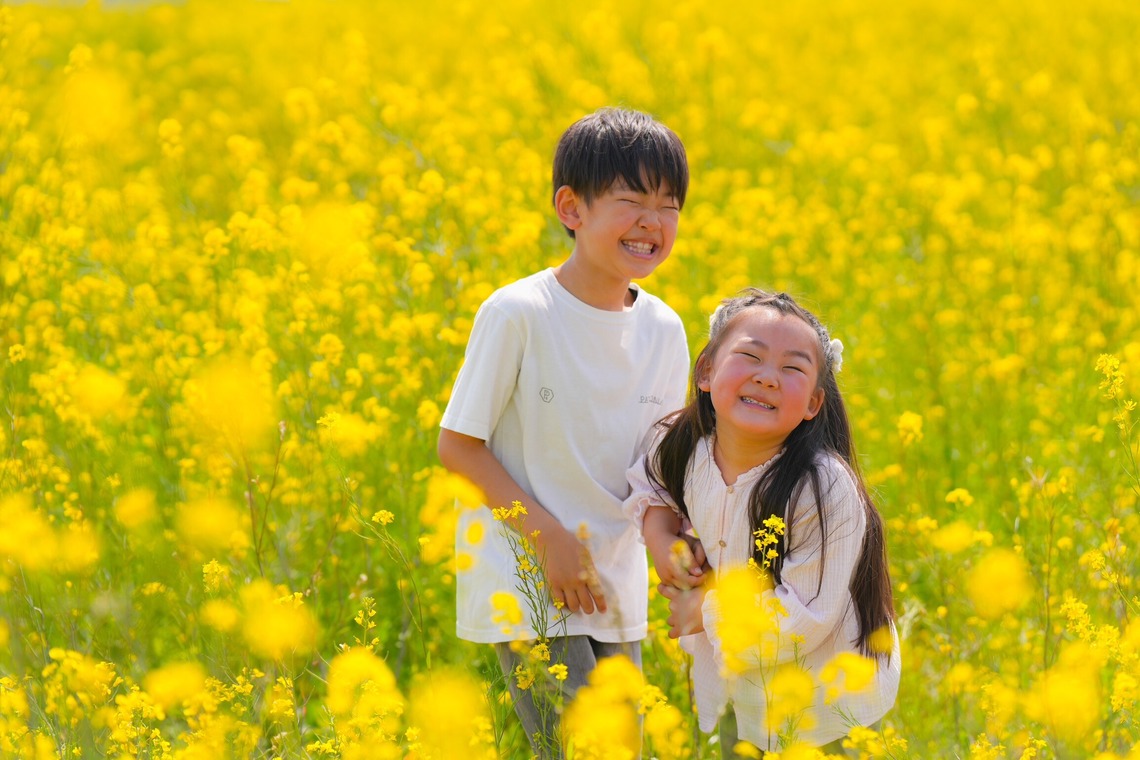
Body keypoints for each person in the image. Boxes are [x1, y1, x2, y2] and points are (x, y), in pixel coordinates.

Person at [437, 107, 690, 758]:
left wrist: (676, 553)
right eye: (632, 201)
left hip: (614, 580)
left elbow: (655, 469)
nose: (652, 222)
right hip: (529, 578)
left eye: (669, 206)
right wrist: (546, 536)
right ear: (570, 208)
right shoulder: (519, 313)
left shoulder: (665, 329)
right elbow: (459, 444)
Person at [625, 289, 900, 756]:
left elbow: (806, 618)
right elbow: (651, 484)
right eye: (750, 356)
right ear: (706, 371)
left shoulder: (823, 487)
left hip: (824, 699)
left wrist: (703, 612)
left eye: (792, 369)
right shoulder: (680, 443)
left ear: (814, 403)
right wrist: (659, 535)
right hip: (737, 686)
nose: (768, 378)